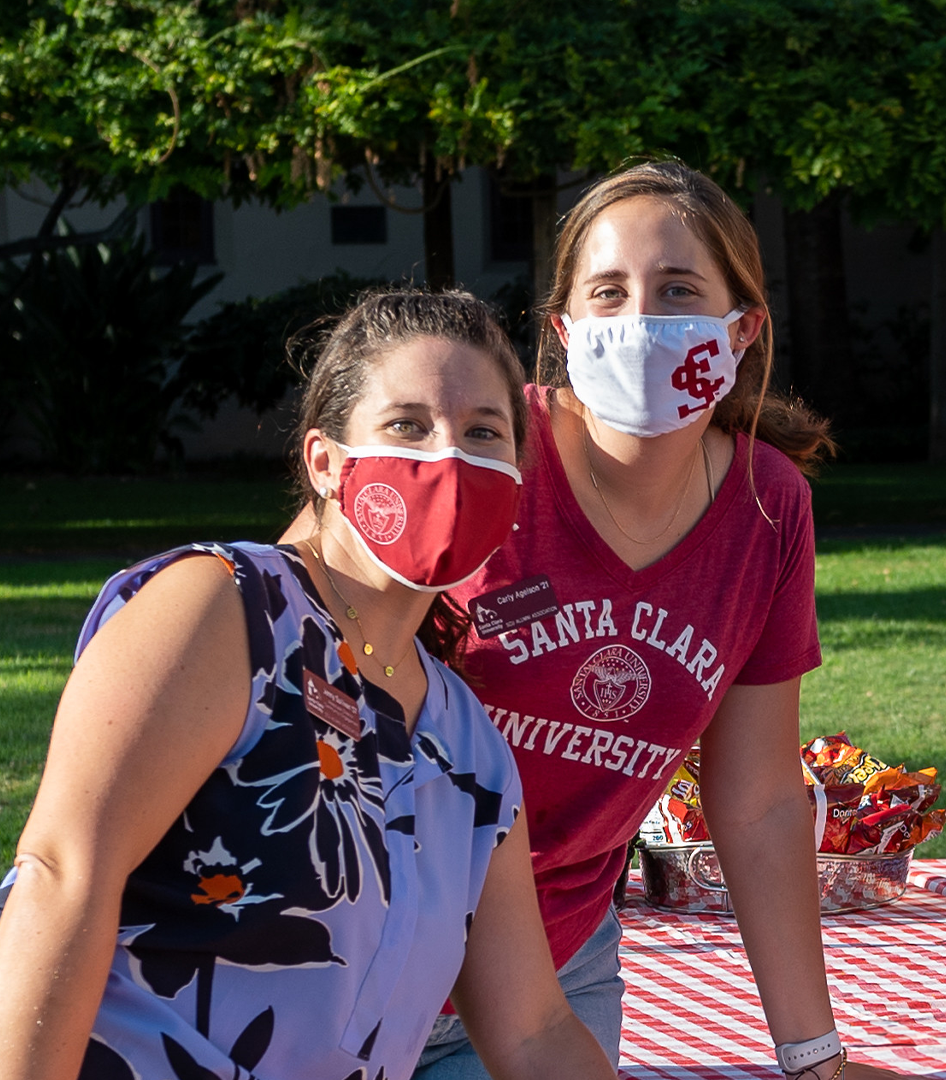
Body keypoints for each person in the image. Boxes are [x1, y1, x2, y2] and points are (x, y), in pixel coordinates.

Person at [0, 290, 616, 1080]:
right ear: (325, 463)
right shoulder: (225, 608)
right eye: (407, 425)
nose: (448, 460)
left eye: (482, 433)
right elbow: (61, 876)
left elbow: (533, 1029)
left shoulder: (470, 749)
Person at [404, 162, 897, 1080]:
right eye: (608, 293)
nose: (639, 322)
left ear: (742, 329)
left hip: (550, 975)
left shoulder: (767, 504)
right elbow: (295, 635)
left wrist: (813, 1058)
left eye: (676, 291)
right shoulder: (478, 450)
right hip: (369, 947)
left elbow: (754, 801)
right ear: (563, 331)